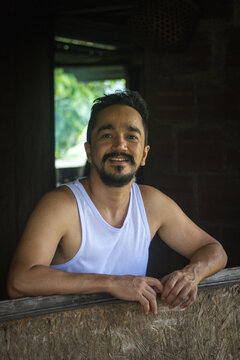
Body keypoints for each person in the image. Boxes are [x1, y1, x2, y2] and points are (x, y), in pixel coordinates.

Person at [7, 90, 227, 315]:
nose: (120, 145)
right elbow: (19, 280)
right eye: (107, 135)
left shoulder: (152, 203)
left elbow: (214, 250)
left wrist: (191, 274)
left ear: (144, 155)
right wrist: (111, 283)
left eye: (132, 137)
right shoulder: (62, 205)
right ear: (89, 151)